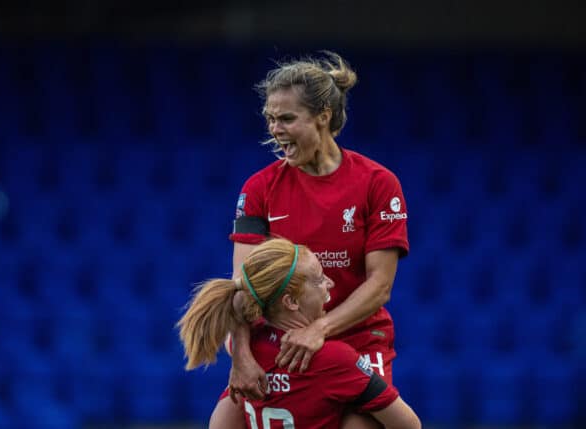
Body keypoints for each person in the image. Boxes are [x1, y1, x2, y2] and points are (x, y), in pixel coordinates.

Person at [214, 51, 412, 429]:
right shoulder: (259, 188)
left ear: (323, 115)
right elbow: (243, 287)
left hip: (356, 339)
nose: (275, 129)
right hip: (282, 342)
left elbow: (380, 285)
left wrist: (318, 329)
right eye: (271, 119)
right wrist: (241, 355)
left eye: (287, 118)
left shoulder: (377, 183)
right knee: (223, 422)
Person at [177, 238, 420, 429]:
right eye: (319, 280)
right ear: (291, 301)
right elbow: (409, 424)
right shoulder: (335, 359)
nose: (330, 284)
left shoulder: (246, 353)